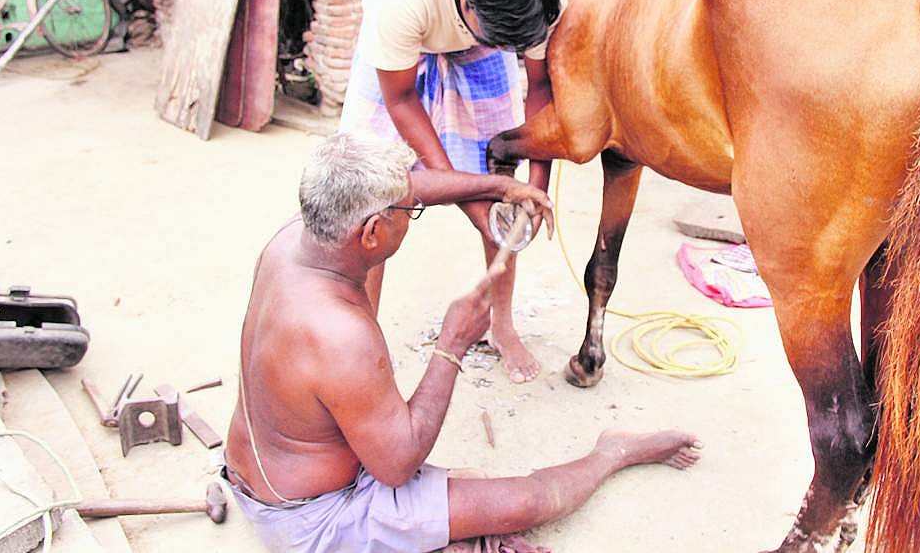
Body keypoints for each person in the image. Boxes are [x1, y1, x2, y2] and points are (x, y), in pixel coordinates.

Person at [223, 132, 704, 553]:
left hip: (264, 473)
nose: (413, 211)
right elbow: (396, 465)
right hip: (311, 521)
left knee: (462, 487)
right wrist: (450, 347)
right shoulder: (337, 333)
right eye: (407, 211)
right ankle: (612, 452)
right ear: (372, 231)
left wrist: (500, 185)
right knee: (525, 500)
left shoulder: (294, 240)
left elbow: (409, 188)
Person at [339, 0, 566, 384]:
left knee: (503, 195)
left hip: (479, 35)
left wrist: (530, 189)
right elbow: (400, 100)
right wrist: (470, 195)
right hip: (402, 57)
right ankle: (362, 340)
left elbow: (540, 90)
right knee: (372, 203)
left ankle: (500, 325)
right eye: (503, 38)